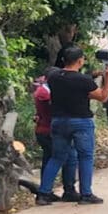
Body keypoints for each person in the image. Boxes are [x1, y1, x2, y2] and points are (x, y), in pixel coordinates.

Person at [36, 47, 108, 206]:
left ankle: (43, 193)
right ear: (80, 61)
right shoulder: (83, 80)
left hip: (58, 121)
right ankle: (86, 194)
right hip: (80, 121)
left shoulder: (53, 77)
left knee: (57, 157)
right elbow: (102, 97)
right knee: (85, 157)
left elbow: (69, 82)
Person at [33, 67, 80, 202]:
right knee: (69, 157)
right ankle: (58, 191)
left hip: (45, 129)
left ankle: (47, 190)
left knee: (49, 159)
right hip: (50, 130)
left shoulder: (43, 90)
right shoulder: (45, 92)